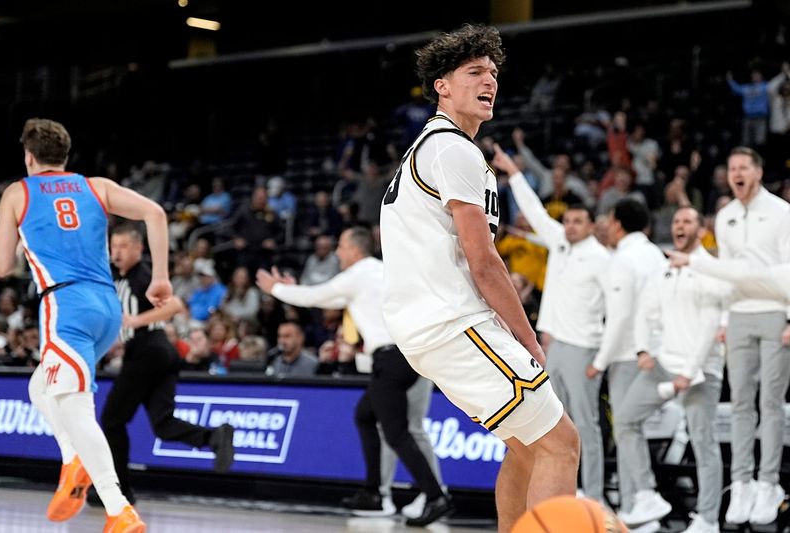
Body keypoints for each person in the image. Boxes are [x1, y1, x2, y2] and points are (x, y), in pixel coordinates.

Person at [379, 25, 579, 532]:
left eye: (493, 73)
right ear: (442, 85)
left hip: (431, 326)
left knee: (529, 446)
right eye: (474, 72)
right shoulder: (453, 149)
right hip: (454, 321)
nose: (489, 81)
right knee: (562, 444)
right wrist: (526, 336)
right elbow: (483, 260)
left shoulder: (436, 149)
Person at [0, 118, 164, 531]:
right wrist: (161, 277)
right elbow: (155, 213)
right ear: (65, 156)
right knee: (40, 387)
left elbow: (0, 266)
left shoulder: (18, 192)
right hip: (107, 308)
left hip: (65, 304)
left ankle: (118, 506)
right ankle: (73, 463)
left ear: (29, 157)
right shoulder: (96, 186)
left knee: (75, 405)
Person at [257, 227, 446, 524]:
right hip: (411, 353)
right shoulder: (380, 272)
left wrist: (276, 290)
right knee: (366, 415)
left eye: (341, 246)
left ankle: (435, 496)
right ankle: (374, 493)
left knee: (398, 432)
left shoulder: (357, 274)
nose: (337, 252)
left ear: (355, 250)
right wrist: (294, 289)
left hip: (391, 357)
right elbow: (327, 298)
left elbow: (316, 296)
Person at [497, 150, 610, 503]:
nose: (571, 226)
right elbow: (533, 209)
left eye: (578, 221)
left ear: (591, 225)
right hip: (554, 346)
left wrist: (602, 355)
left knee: (586, 426)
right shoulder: (560, 242)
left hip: (583, 347)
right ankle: (562, 497)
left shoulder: (603, 259)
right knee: (554, 425)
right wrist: (515, 172)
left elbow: (616, 311)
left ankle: (593, 496)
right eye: (569, 221)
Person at [101, 223, 235, 504]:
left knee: (112, 420)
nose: (117, 252)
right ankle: (213, 437)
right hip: (161, 352)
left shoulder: (142, 276)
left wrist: (136, 321)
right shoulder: (119, 276)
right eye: (114, 246)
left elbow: (174, 306)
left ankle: (119, 490)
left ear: (139, 248)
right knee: (162, 424)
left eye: (124, 246)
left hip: (147, 350)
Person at [617, 207, 729, 533]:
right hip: (664, 364)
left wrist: (689, 372)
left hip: (702, 371)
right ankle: (647, 494)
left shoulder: (712, 269)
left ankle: (707, 518)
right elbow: (644, 312)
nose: (680, 226)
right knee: (625, 419)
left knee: (703, 441)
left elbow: (711, 326)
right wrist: (642, 350)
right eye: (677, 221)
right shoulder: (664, 269)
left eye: (688, 221)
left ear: (701, 230)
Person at [705, 147, 790, 525]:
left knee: (771, 404)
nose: (736, 173)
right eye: (731, 169)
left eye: (743, 168)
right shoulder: (724, 217)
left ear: (758, 172)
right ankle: (741, 482)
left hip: (774, 314)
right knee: (741, 403)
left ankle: (768, 482)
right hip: (738, 315)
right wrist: (724, 317)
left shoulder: (782, 213)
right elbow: (725, 272)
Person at [585, 198, 666, 524]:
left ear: (618, 224)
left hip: (629, 354)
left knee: (627, 429)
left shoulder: (623, 259)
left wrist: (600, 362)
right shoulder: (656, 254)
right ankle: (639, 509)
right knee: (633, 430)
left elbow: (619, 318)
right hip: (656, 350)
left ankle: (642, 505)